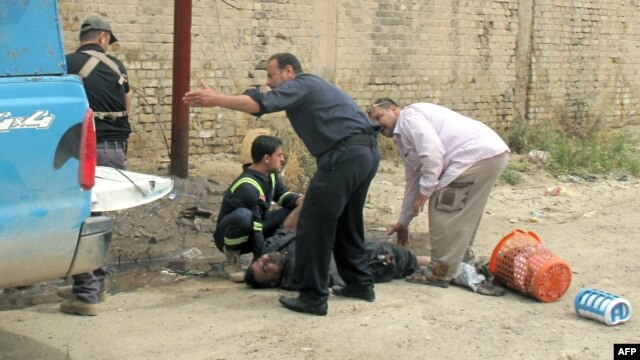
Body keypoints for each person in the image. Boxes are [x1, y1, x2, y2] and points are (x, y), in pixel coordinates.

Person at [184, 53, 380, 316]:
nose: (268, 82)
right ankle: (359, 284)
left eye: (271, 75)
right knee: (347, 222)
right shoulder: (310, 87)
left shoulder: (300, 84)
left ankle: (313, 297)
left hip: (342, 156)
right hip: (364, 153)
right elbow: (257, 99)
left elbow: (261, 104)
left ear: (289, 71)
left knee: (312, 224)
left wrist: (217, 99)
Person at [367, 98, 509, 289]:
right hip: (490, 154)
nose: (377, 124)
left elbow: (433, 153)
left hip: (475, 155)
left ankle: (439, 272)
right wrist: (404, 221)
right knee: (462, 214)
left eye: (379, 117)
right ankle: (462, 265)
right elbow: (413, 181)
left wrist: (426, 191)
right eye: (373, 121)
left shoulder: (408, 118)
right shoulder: (403, 138)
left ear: (394, 110)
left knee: (442, 206)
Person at [57, 15, 133, 316]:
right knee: (98, 220)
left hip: (83, 153)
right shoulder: (119, 68)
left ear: (86, 37)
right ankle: (94, 285)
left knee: (79, 219)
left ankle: (86, 292)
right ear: (104, 38)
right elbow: (127, 107)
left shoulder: (67, 65)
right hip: (116, 152)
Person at [214, 135, 303, 282]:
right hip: (229, 236)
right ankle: (232, 259)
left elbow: (282, 196)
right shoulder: (247, 186)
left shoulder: (271, 176)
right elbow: (256, 231)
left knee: (291, 212)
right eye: (279, 155)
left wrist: (299, 200)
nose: (282, 159)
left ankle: (279, 256)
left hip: (255, 225)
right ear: (267, 158)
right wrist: (256, 265)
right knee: (243, 216)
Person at [245, 229, 430, 290]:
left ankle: (444, 266)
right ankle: (451, 269)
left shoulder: (279, 252)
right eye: (266, 268)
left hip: (358, 249)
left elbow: (287, 227)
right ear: (274, 281)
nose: (266, 260)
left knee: (410, 261)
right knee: (408, 261)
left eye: (260, 260)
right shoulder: (297, 271)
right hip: (375, 260)